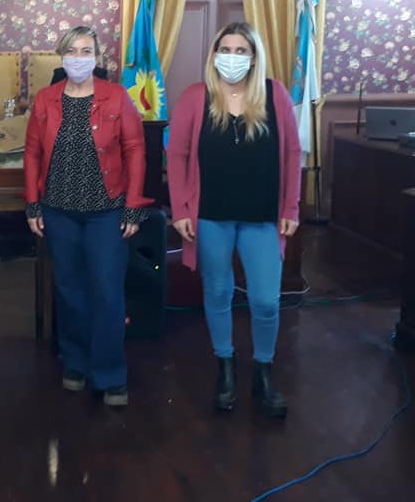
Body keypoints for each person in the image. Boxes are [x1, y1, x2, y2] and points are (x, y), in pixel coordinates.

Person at [166, 21, 301, 418]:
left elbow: (293, 153)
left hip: (263, 216)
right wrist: (180, 210)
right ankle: (225, 367)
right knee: (218, 293)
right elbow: (177, 156)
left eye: (242, 51)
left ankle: (263, 372)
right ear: (214, 55)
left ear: (254, 58)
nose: (232, 57)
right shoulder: (196, 97)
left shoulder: (275, 94)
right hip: (210, 215)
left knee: (266, 300)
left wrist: (291, 208)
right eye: (226, 49)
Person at [24, 25, 149, 408]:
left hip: (106, 212)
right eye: (72, 51)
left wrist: (133, 205)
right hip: (58, 211)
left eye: (86, 51)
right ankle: (75, 363)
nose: (78, 58)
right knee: (69, 290)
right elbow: (32, 153)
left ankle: (110, 374)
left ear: (96, 57)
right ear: (61, 56)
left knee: (107, 292)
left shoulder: (116, 96)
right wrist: (33, 204)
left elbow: (135, 149)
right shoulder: (46, 99)